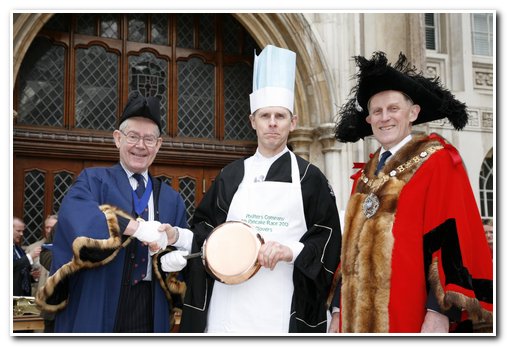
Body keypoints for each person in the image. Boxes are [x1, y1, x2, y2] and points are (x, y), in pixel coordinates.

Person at [160, 45, 342, 334]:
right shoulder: (230, 175)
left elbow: (329, 241)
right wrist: (179, 239)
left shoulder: (310, 178)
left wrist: (290, 251)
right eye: (265, 115)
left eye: (280, 116)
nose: (272, 123)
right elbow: (206, 231)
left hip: (282, 304)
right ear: (252, 121)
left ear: (293, 123)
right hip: (227, 306)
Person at [330, 51, 493, 333]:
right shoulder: (364, 175)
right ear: (368, 119)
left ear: (413, 113)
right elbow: (351, 251)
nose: (385, 118)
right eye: (377, 111)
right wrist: (336, 310)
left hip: (410, 314)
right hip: (354, 321)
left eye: (393, 109)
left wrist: (439, 311)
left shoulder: (437, 161)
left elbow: (451, 240)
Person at [35, 92, 188, 333]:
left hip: (150, 305)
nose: (141, 145)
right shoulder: (93, 180)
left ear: (158, 145)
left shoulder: (172, 199)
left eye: (149, 139)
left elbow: (182, 254)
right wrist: (137, 228)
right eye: (133, 136)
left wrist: (173, 262)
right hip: (97, 297)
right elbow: (77, 217)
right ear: (117, 139)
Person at [25, 214, 58, 297]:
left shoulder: (65, 249)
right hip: (36, 296)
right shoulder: (32, 248)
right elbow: (21, 274)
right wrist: (31, 275)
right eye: (47, 227)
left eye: (52, 228)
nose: (49, 230)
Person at [13, 217, 41, 296]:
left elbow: (19, 272)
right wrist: (29, 256)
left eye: (22, 231)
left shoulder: (18, 249)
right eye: (18, 231)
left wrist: (32, 276)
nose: (21, 234)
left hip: (23, 296)